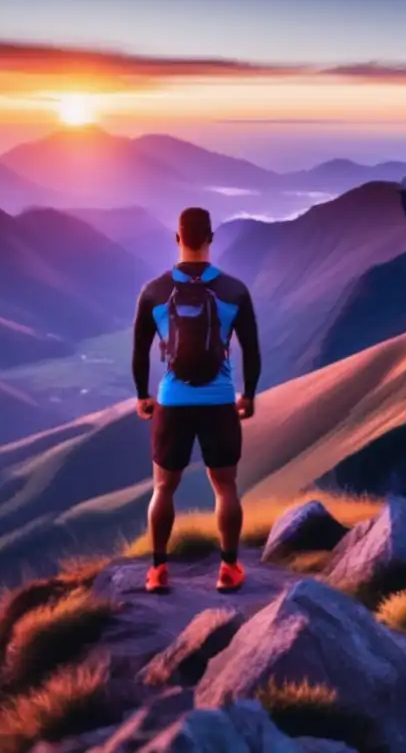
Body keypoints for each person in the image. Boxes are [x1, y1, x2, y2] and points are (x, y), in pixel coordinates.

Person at [132, 207, 261, 594]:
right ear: (211, 239)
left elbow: (140, 352)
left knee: (162, 488)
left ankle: (158, 571)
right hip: (219, 401)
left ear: (177, 238)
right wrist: (249, 394)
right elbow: (251, 350)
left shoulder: (154, 291)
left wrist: (143, 395)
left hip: (173, 401)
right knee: (225, 487)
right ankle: (229, 568)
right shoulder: (234, 290)